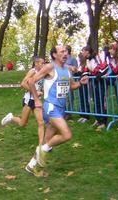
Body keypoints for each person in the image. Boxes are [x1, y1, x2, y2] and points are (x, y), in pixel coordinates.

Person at [26, 45, 88, 174]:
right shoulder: (50, 67)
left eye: (66, 51)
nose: (65, 54)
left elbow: (71, 86)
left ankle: (31, 165)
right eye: (62, 52)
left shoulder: (66, 70)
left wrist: (81, 83)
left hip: (61, 109)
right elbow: (31, 81)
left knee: (46, 140)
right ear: (54, 55)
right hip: (51, 107)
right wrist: (37, 99)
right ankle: (43, 150)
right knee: (67, 135)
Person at [1, 56, 45, 146]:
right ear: (36, 63)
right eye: (42, 63)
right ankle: (11, 118)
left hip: (37, 100)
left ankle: (41, 144)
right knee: (22, 123)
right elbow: (23, 84)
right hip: (29, 100)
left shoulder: (42, 73)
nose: (43, 65)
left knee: (41, 122)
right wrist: (36, 92)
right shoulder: (33, 71)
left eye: (44, 63)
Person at [64, 45, 78, 120]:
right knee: (63, 97)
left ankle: (69, 113)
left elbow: (75, 69)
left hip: (70, 80)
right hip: (62, 80)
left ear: (67, 51)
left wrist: (67, 66)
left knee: (70, 97)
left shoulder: (73, 60)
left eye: (64, 50)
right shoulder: (62, 60)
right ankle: (63, 112)